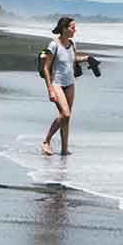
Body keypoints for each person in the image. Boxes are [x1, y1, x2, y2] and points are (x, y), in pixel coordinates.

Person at [39, 16, 93, 156]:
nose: (75, 30)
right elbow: (45, 68)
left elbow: (73, 59)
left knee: (67, 118)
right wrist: (50, 90)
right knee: (65, 114)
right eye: (72, 27)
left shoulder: (72, 44)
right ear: (64, 29)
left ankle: (64, 150)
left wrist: (86, 58)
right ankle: (46, 141)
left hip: (70, 83)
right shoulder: (54, 45)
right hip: (57, 84)